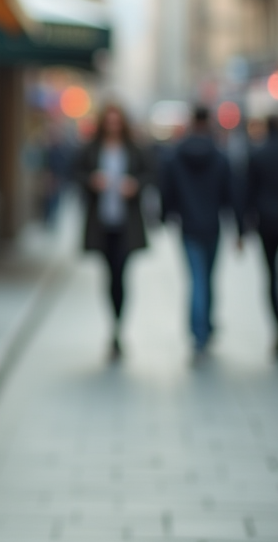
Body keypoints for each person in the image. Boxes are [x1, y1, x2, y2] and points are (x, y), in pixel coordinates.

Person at [74, 103, 149, 359]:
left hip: (126, 225)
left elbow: (150, 174)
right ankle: (114, 325)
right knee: (109, 276)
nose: (113, 126)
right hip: (102, 223)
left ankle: (118, 328)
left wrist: (135, 185)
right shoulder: (92, 149)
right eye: (109, 121)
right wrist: (92, 181)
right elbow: (76, 174)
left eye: (117, 121)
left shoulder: (134, 150)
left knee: (121, 274)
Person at [160, 105, 236, 355]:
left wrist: (165, 215)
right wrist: (238, 224)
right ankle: (206, 326)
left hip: (188, 225)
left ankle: (199, 331)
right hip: (212, 224)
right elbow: (231, 191)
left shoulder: (176, 154)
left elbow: (167, 188)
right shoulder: (219, 154)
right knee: (208, 277)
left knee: (196, 278)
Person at [241, 114, 278, 355]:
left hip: (267, 221)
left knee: (271, 276)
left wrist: (242, 226)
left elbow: (247, 191)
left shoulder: (258, 154)